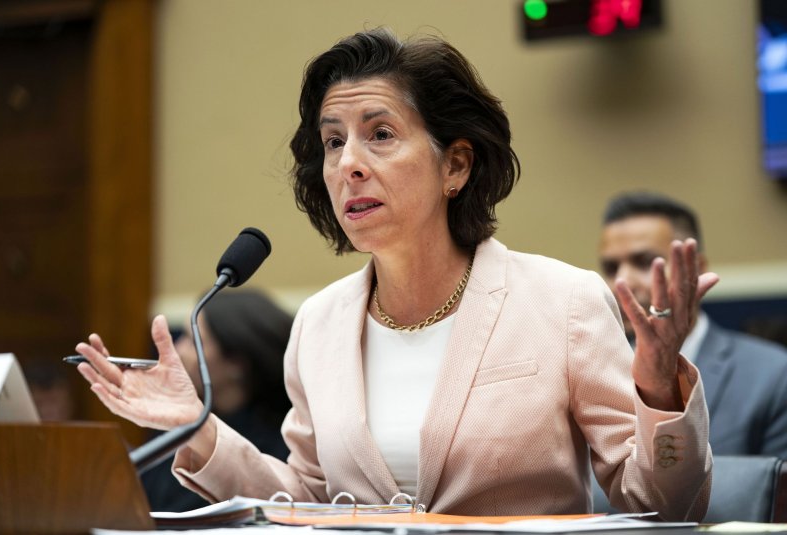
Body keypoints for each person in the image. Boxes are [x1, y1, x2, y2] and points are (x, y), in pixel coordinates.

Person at [74, 28, 718, 520]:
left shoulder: (562, 301)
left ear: (455, 166)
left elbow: (660, 508)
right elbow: (308, 503)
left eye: (380, 134)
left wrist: (660, 394)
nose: (349, 163)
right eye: (333, 142)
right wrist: (198, 428)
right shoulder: (319, 326)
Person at [599, 191, 787, 460]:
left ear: (694, 269)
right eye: (611, 267)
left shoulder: (773, 375)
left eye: (644, 263)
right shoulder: (597, 372)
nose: (621, 282)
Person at [140, 289, 293, 511]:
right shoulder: (183, 419)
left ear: (236, 364)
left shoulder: (282, 442)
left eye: (193, 342)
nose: (178, 350)